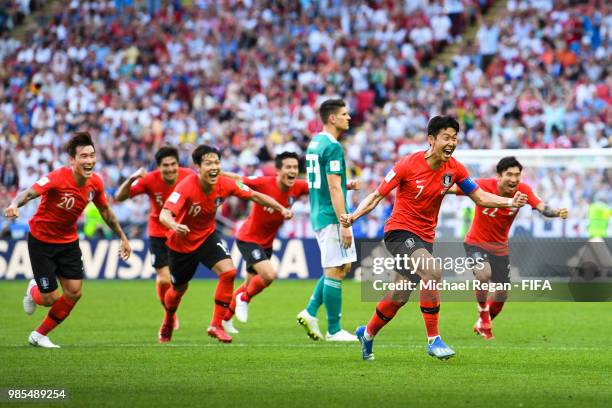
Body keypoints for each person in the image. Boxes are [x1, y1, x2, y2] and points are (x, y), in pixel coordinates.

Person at [342, 116, 528, 360]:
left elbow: (481, 197)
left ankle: (366, 334)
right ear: (431, 140)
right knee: (433, 271)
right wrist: (354, 216)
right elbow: (377, 195)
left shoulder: (455, 169)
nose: (452, 142)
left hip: (424, 238)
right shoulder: (408, 164)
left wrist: (509, 201)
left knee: (399, 295)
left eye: (454, 138)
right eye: (446, 137)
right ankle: (434, 340)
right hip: (398, 232)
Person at [3, 131, 131, 348]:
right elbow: (29, 193)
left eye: (92, 155)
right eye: (84, 156)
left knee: (74, 292)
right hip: (41, 240)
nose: (89, 160)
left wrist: (122, 237)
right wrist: (14, 204)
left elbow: (106, 212)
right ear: (72, 159)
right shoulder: (57, 177)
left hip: (68, 242)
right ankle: (33, 289)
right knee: (49, 299)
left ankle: (39, 335)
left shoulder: (95, 183)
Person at [157, 144, 292, 343]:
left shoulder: (225, 183)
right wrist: (174, 225)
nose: (214, 167)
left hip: (206, 237)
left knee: (229, 272)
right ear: (198, 167)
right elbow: (164, 214)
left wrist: (280, 208)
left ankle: (216, 325)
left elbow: (254, 195)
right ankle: (168, 321)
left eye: (217, 162)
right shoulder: (186, 186)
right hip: (181, 243)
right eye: (208, 163)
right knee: (178, 289)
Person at [448, 156, 568, 339]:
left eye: (517, 175)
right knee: (483, 274)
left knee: (502, 293)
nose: (514, 179)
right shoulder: (482, 186)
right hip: (476, 242)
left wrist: (556, 212)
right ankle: (483, 317)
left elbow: (542, 207)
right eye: (509, 174)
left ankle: (482, 323)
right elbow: (453, 188)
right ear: (499, 175)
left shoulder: (523, 190)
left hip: (499, 248)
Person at [219, 152, 309, 333]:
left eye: (295, 167)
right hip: (248, 238)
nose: (292, 171)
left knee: (248, 284)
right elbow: (238, 178)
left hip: (266, 243)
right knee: (269, 275)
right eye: (288, 167)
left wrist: (347, 185)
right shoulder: (263, 183)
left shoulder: (298, 187)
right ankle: (244, 300)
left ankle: (225, 320)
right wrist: (216, 172)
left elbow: (322, 187)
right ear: (278, 170)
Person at [296, 98, 359, 342]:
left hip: (319, 211)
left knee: (342, 266)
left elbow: (329, 181)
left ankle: (311, 311)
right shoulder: (333, 146)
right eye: (344, 113)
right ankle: (334, 330)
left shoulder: (316, 142)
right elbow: (333, 188)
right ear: (332, 118)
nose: (349, 117)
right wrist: (344, 222)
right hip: (330, 214)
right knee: (335, 269)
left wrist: (346, 184)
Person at [114, 146, 192, 330]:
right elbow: (119, 196)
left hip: (181, 232)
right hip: (158, 233)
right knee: (164, 279)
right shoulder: (150, 179)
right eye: (166, 165)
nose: (171, 168)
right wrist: (132, 178)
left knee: (181, 282)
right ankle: (169, 315)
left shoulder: (189, 175)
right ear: (158, 167)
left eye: (174, 164)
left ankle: (170, 311)